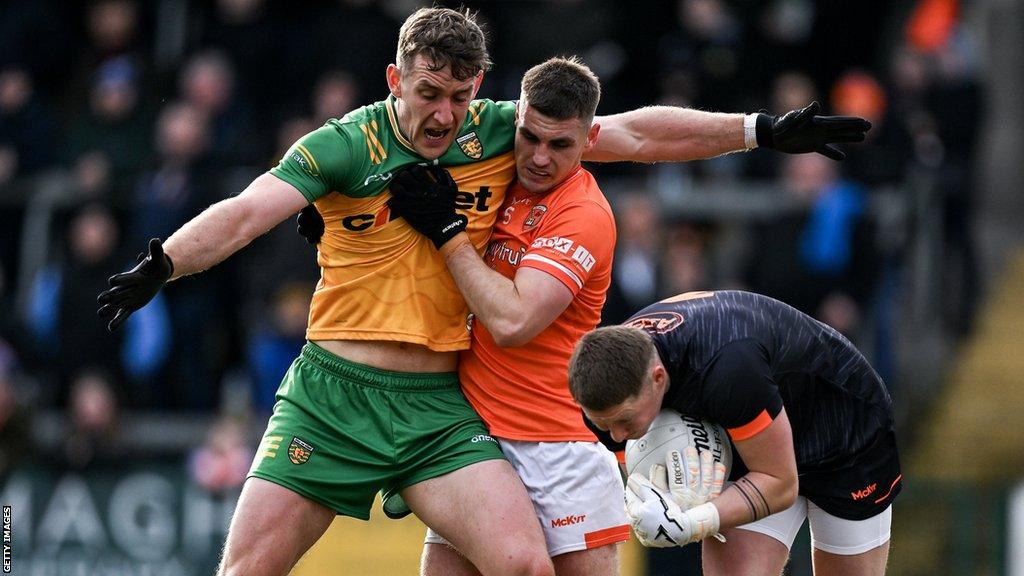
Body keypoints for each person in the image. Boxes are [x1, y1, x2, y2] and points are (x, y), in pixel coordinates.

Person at [97, 7, 870, 576]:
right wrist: (162, 263)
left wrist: (758, 130)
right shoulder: (340, 145)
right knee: (245, 573)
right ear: (396, 78)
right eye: (429, 92)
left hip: (438, 407)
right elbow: (243, 215)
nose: (444, 115)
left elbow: (634, 133)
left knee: (525, 568)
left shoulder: (504, 131)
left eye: (460, 96)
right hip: (332, 397)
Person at [387, 57, 625, 575]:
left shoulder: (584, 214)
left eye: (559, 145)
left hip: (558, 449)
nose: (538, 158)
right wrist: (339, 212)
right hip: (472, 443)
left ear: (589, 141)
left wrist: (447, 233)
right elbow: (397, 139)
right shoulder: (494, 164)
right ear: (515, 117)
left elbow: (513, 323)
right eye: (529, 137)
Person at [567, 290, 902, 576]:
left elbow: (781, 484)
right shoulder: (603, 388)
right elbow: (634, 454)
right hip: (743, 432)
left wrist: (692, 522)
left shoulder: (727, 370)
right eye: (603, 425)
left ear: (657, 378)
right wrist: (656, 495)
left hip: (844, 435)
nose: (618, 434)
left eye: (625, 420)